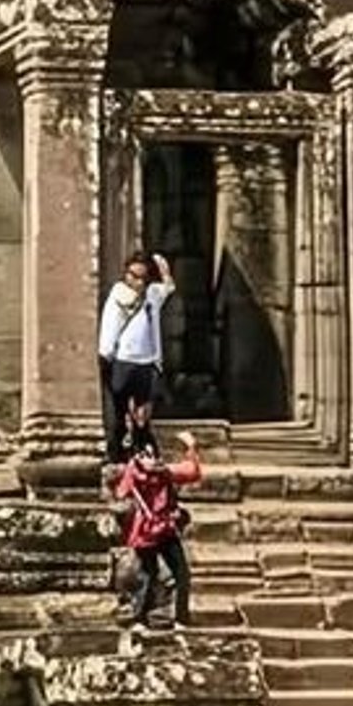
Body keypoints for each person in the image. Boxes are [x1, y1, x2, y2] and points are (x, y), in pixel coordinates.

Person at [113, 427, 204, 629]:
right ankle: (178, 617)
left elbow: (121, 493)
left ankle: (142, 617)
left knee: (153, 573)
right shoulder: (163, 472)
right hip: (160, 528)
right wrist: (191, 447)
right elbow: (192, 471)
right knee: (170, 573)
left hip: (148, 529)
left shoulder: (135, 471)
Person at [98, 250, 177, 460]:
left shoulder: (152, 295)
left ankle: (143, 453)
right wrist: (105, 355)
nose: (137, 282)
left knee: (143, 415)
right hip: (123, 361)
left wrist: (163, 268)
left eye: (142, 277)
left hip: (147, 362)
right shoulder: (118, 295)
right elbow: (110, 327)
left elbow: (169, 287)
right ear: (126, 274)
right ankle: (117, 455)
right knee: (119, 413)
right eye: (133, 275)